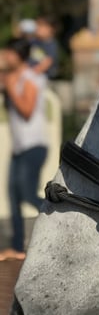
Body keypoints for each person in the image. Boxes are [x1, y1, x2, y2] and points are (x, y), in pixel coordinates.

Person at [0, 38, 48, 259]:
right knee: (13, 196)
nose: (4, 56)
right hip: (19, 149)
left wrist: (10, 86)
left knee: (28, 194)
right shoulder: (12, 76)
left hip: (33, 146)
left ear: (18, 55)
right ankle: (18, 248)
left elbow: (27, 110)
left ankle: (57, 222)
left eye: (8, 52)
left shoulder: (30, 78)